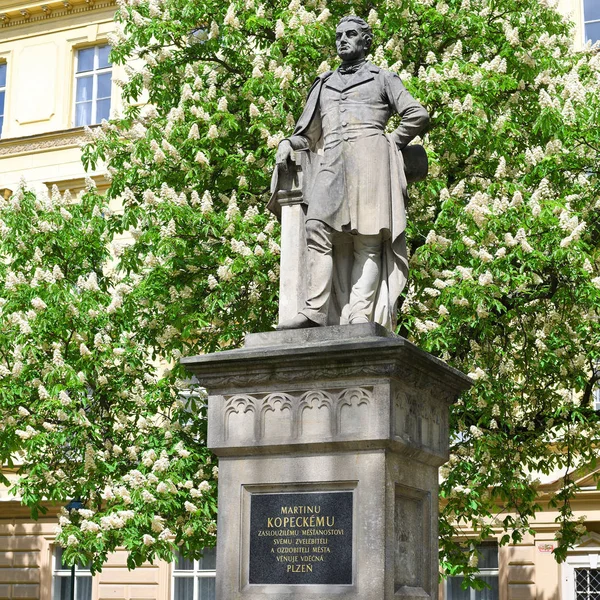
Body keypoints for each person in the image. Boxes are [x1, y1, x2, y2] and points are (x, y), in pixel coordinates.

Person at [275, 15, 429, 330]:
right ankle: (314, 311)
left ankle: (360, 314)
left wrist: (389, 143)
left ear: (365, 41)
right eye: (339, 35)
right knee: (316, 227)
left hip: (372, 162)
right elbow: (308, 134)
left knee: (368, 240)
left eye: (351, 34)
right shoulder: (324, 84)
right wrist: (287, 143)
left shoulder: (383, 78)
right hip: (332, 163)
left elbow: (417, 114)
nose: (343, 39)